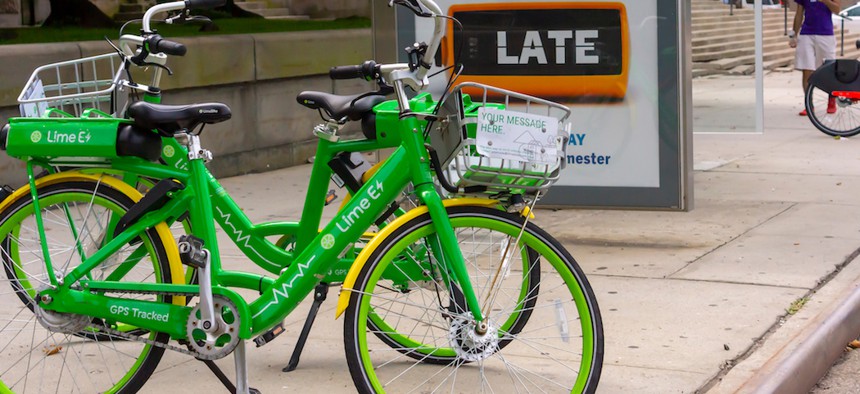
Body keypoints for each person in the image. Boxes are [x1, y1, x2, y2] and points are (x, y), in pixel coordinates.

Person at [789, 0, 840, 116]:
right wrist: (793, 35)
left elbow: (837, 10)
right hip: (807, 33)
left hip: (826, 34)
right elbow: (799, 13)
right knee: (806, 69)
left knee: (829, 68)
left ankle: (831, 99)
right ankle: (809, 105)